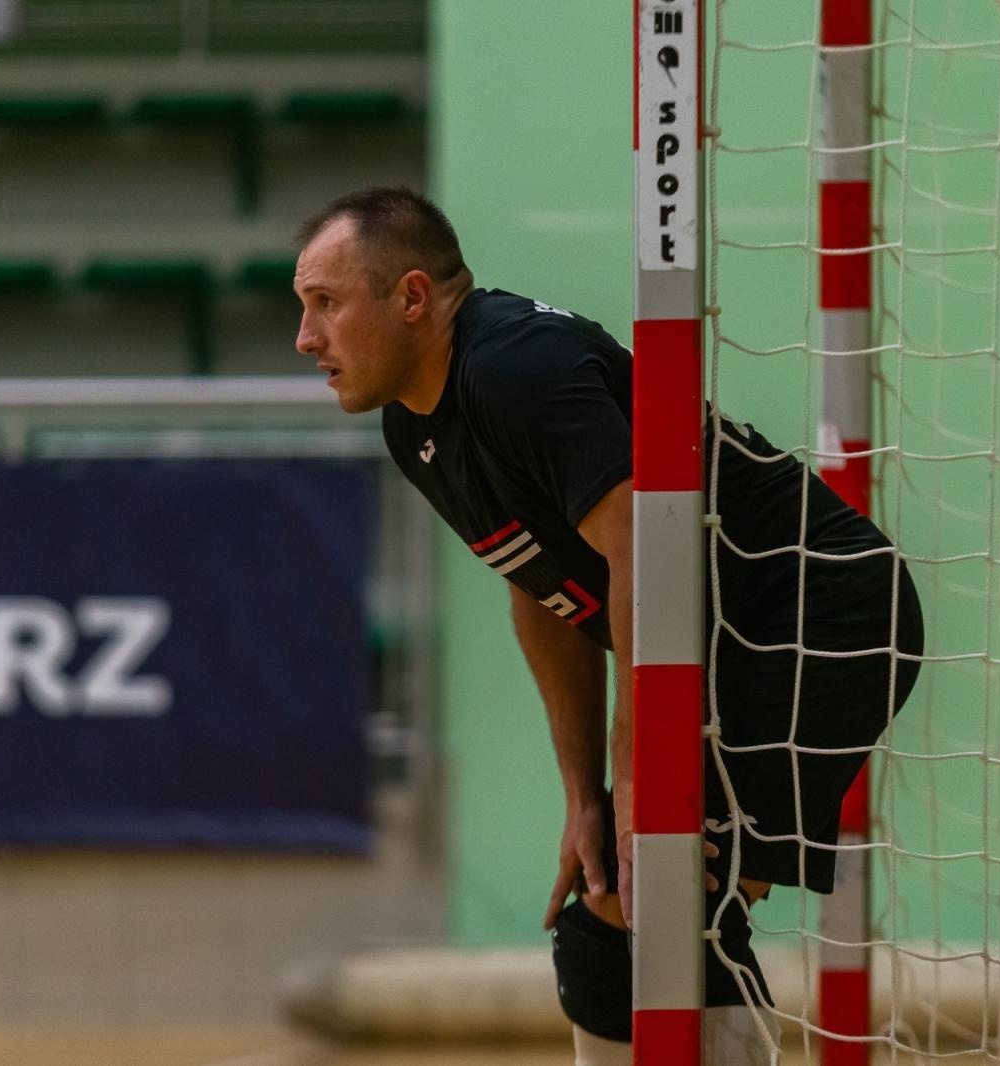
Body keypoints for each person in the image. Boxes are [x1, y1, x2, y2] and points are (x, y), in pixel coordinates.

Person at [293, 186, 924, 1065]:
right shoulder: (416, 428)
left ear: (410, 297)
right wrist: (586, 795)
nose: (305, 337)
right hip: (712, 640)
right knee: (609, 927)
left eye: (325, 302)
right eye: (302, 307)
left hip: (821, 610)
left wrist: (640, 760)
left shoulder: (517, 365)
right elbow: (536, 590)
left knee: (664, 908)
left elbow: (639, 544)